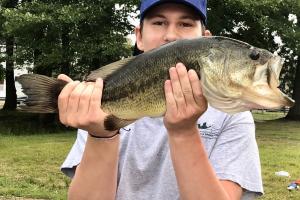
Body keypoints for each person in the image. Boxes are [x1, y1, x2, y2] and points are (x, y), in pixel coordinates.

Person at [59, 0, 263, 199]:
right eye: (158, 23)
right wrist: (100, 135)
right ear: (139, 36)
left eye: (185, 24)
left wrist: (184, 132)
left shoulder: (232, 115)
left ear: (206, 40)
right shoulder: (98, 108)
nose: (171, 35)